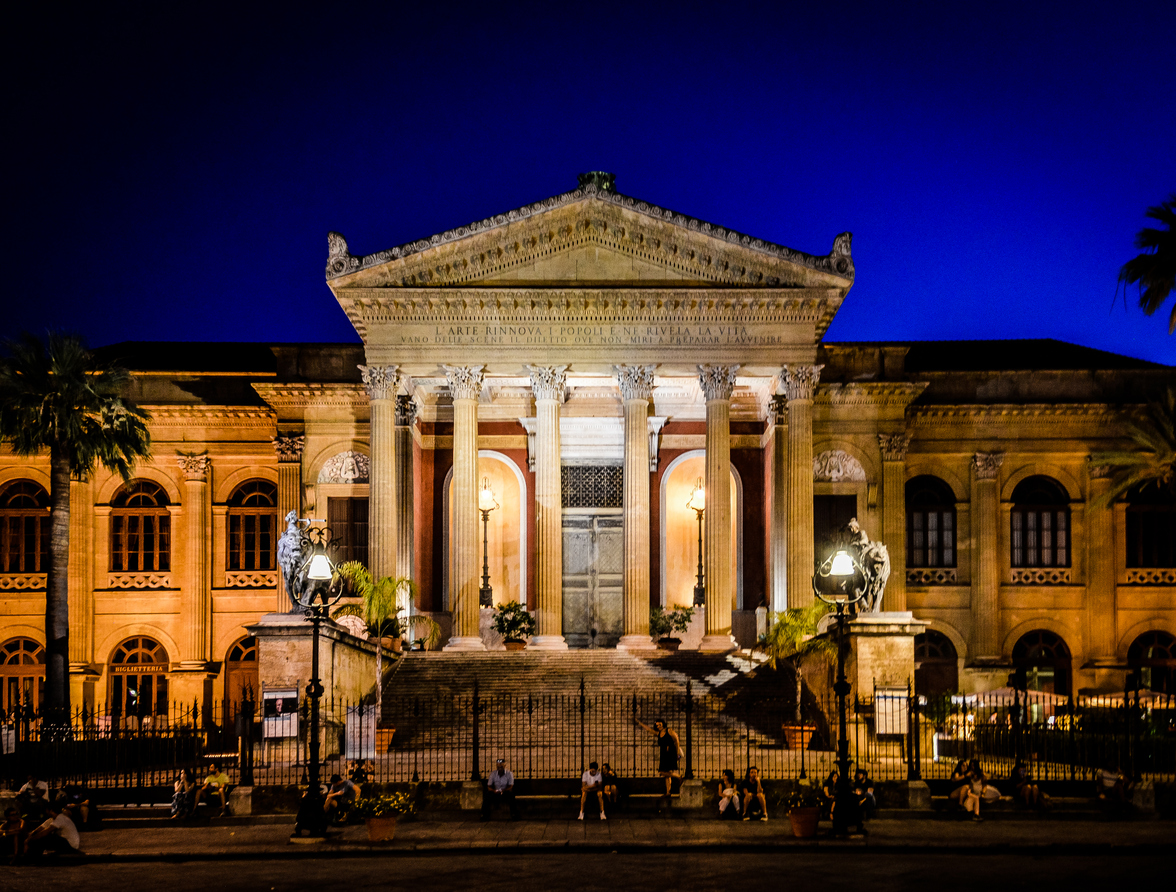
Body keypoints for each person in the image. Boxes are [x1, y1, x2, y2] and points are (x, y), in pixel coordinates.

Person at [636, 718, 682, 802]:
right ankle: (668, 792)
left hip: (670, 753)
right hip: (663, 754)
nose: (658, 726)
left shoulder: (669, 731)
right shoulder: (659, 733)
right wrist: (640, 723)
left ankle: (679, 777)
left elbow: (677, 741)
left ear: (663, 724)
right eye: (657, 725)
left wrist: (677, 754)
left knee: (662, 772)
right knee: (667, 775)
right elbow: (649, 730)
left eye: (659, 724)